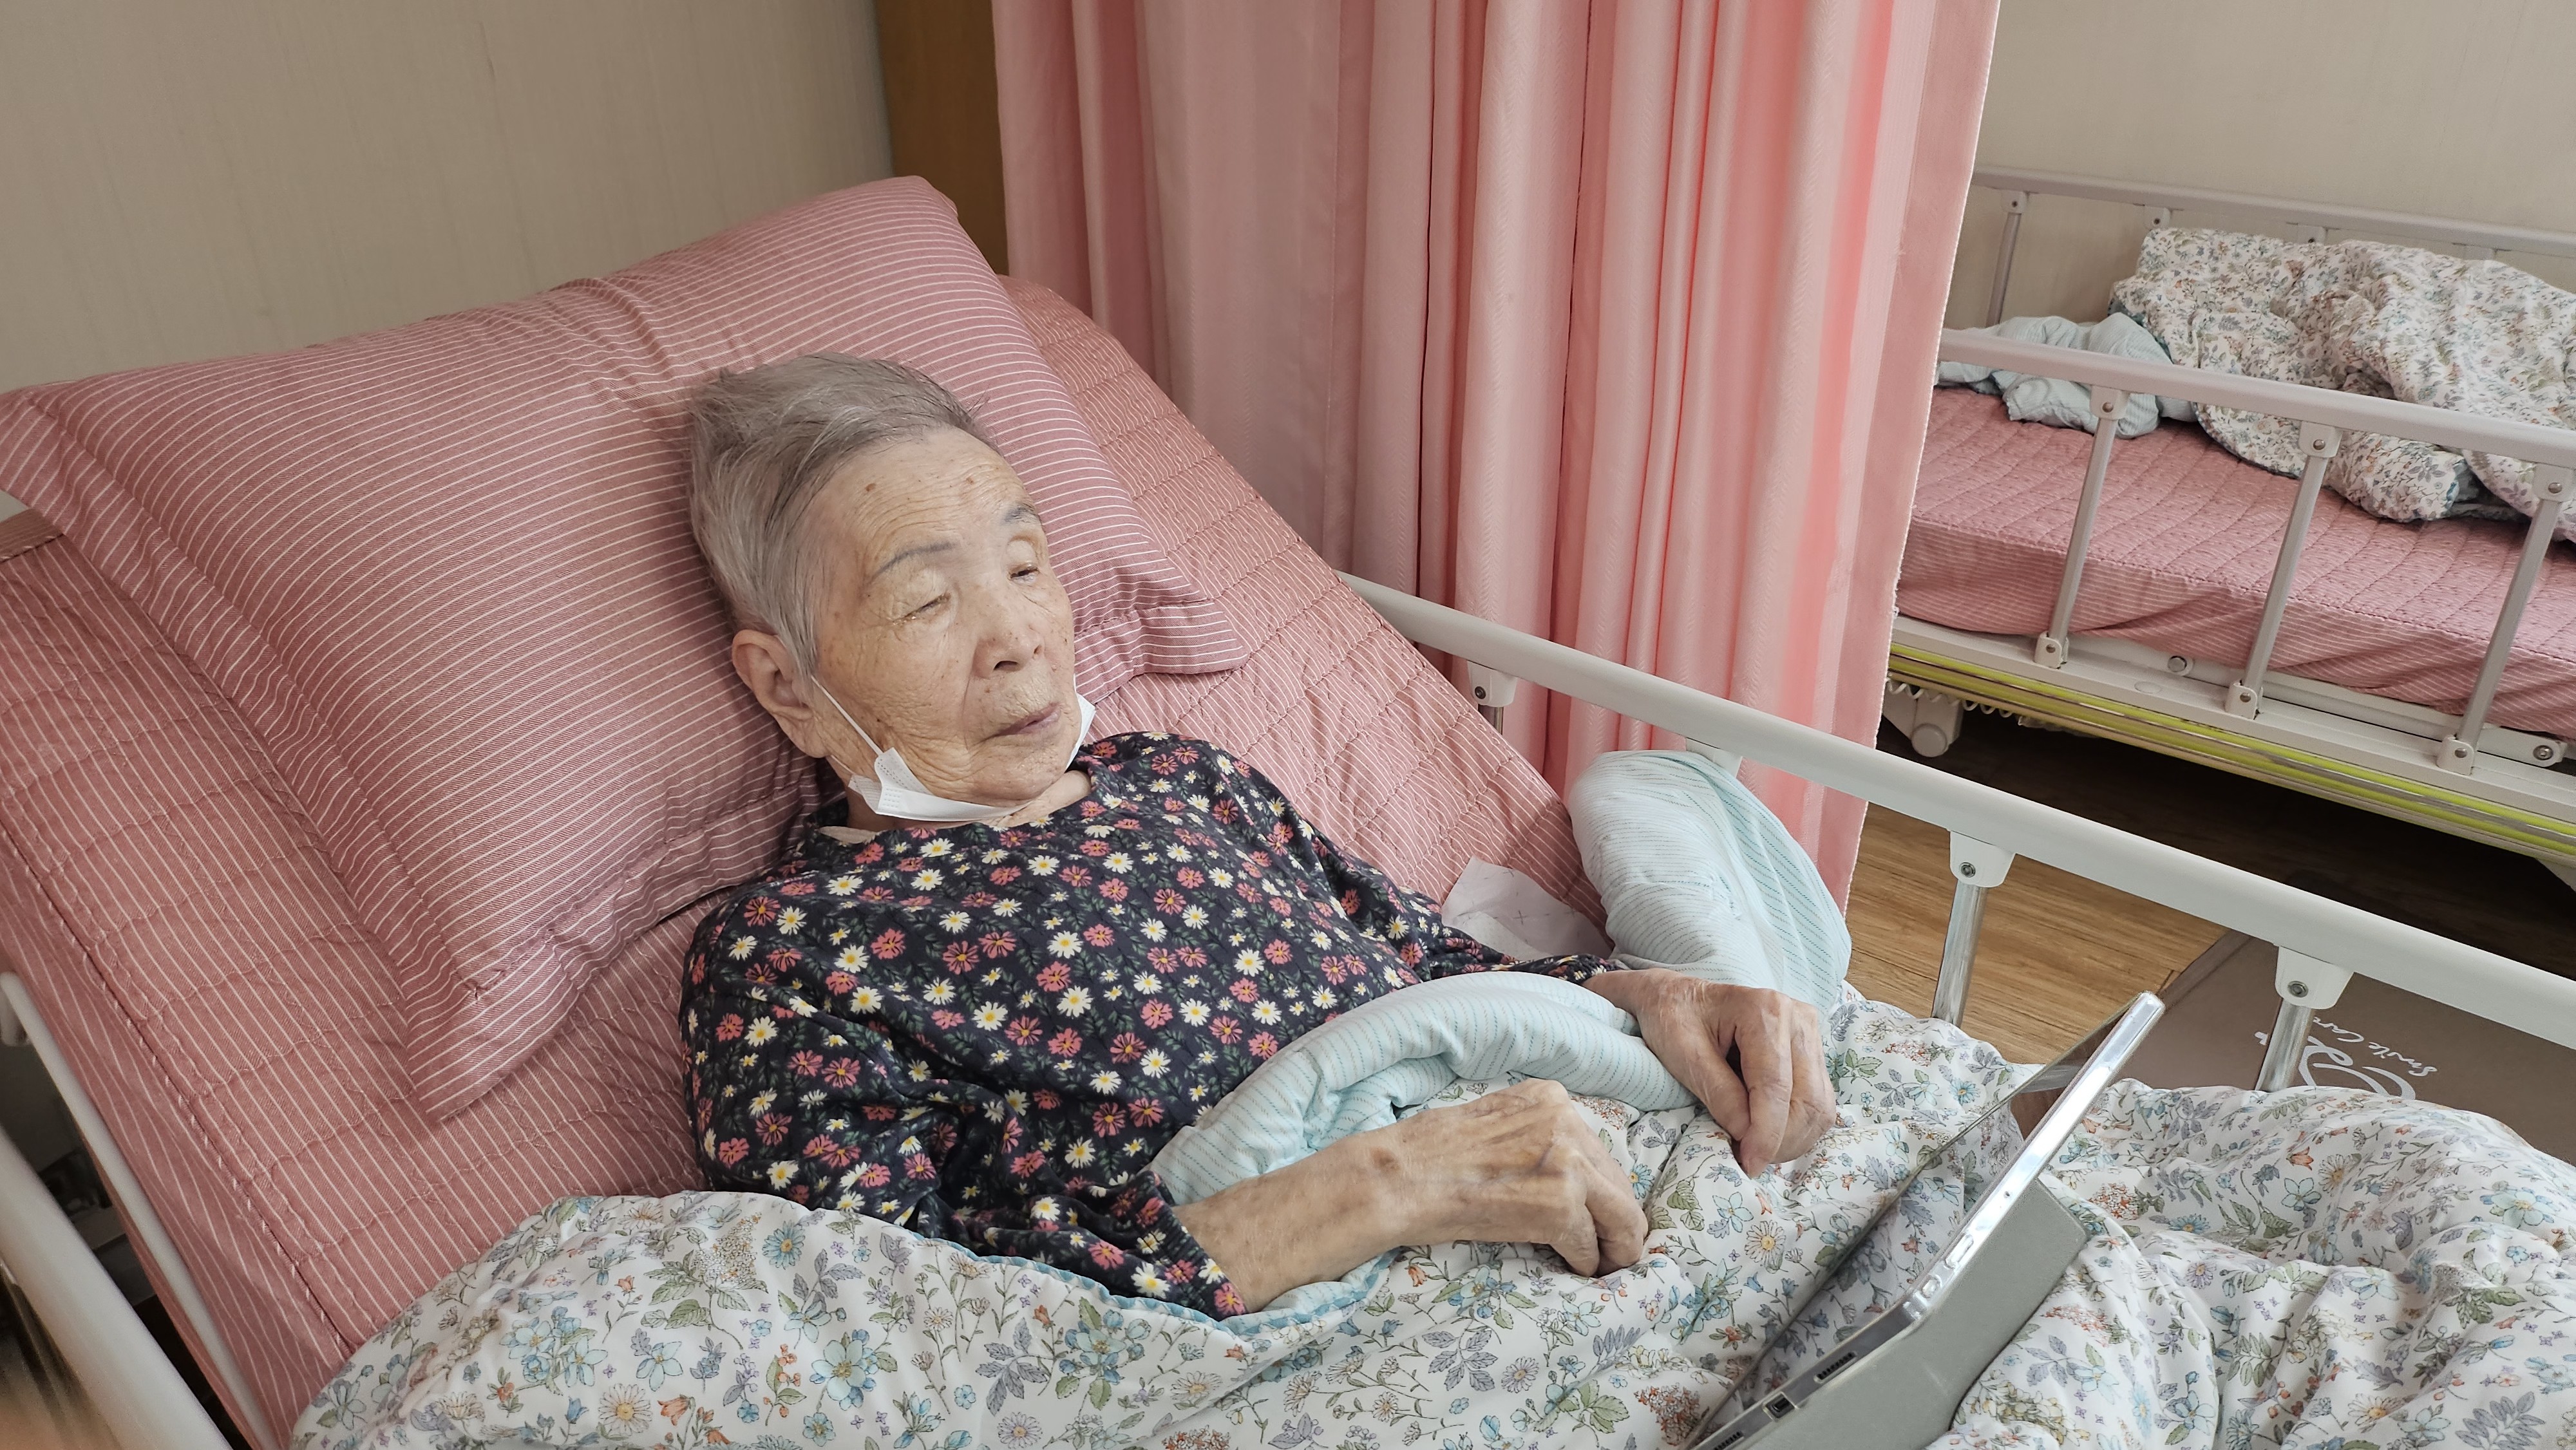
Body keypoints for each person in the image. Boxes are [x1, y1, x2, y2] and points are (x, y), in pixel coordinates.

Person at [678, 355, 1833, 1317]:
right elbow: (906, 1331)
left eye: (1027, 568)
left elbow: (1442, 973)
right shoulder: (789, 954)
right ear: (785, 686)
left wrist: (1655, 997)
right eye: (928, 602)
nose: (1019, 637)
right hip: (1365, 1319)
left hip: (1588, 1156)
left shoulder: (1180, 778)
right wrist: (1385, 1184)